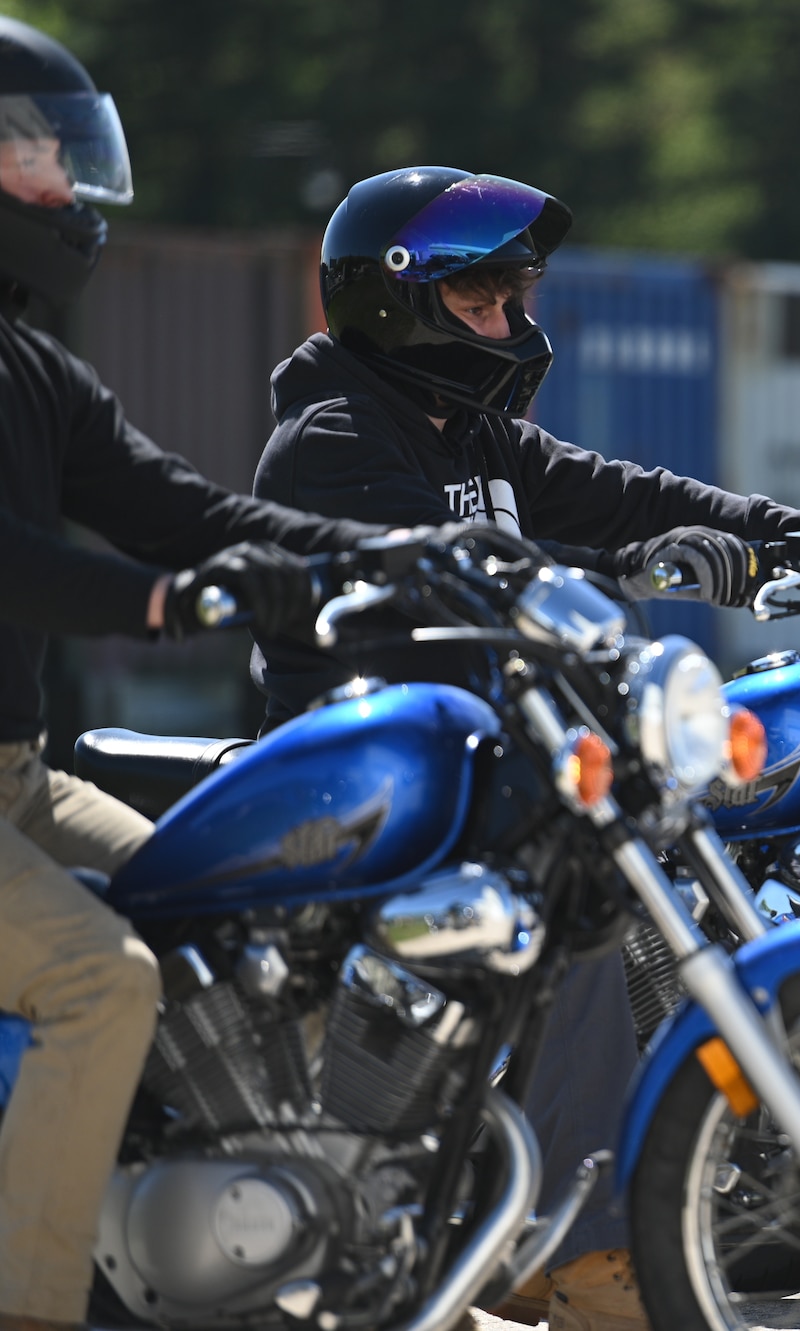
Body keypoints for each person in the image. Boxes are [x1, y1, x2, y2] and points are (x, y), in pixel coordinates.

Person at [247, 165, 800, 1331]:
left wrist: (798, 530)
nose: (512, 320)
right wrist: (609, 580)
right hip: (357, 780)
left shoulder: (480, 431)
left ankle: (588, 1198)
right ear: (397, 301)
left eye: (516, 293)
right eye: (482, 297)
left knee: (673, 852)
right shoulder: (334, 437)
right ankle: (585, 1248)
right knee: (580, 904)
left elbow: (628, 495)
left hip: (474, 765)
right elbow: (465, 575)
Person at [0, 19, 383, 1330]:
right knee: (101, 975)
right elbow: (13, 558)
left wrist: (413, 555)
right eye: (40, 155)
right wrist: (161, 601)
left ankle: (233, 1245)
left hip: (15, 780)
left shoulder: (33, 369)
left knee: (240, 907)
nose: (69, 185)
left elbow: (186, 506)